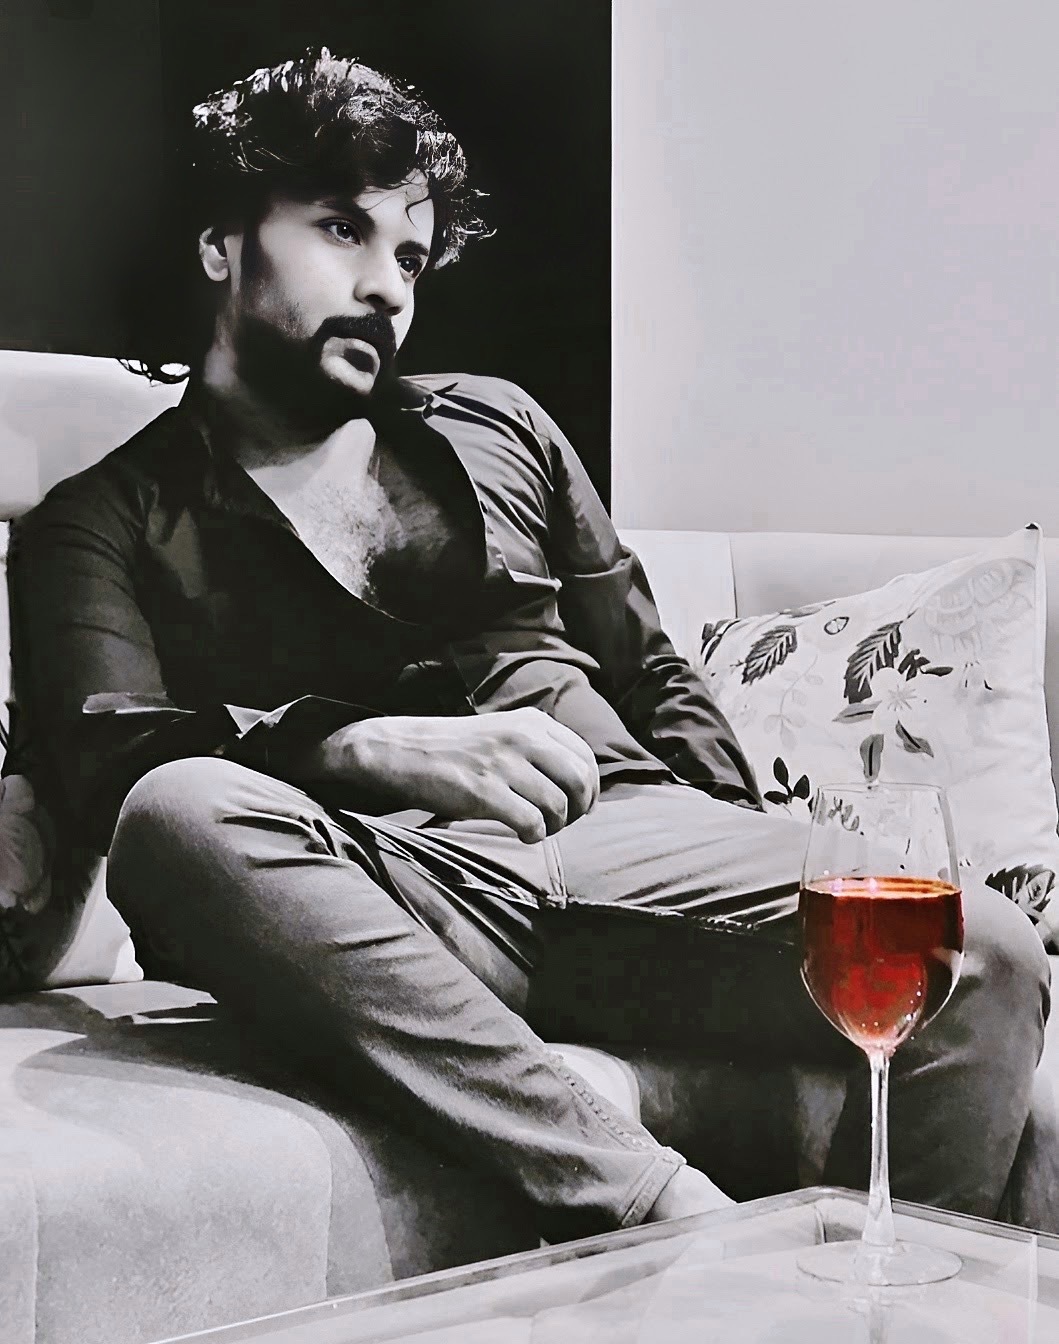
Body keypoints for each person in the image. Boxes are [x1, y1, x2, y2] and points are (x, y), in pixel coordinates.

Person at [7, 48, 1049, 1244]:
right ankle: (671, 1221)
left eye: (410, 256)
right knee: (178, 817)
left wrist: (739, 834)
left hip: (634, 848)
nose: (387, 287)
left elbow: (649, 669)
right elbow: (112, 761)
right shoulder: (100, 520)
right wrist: (362, 749)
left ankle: (876, 1311)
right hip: (402, 896)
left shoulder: (501, 423)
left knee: (977, 944)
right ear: (219, 244)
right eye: (342, 228)